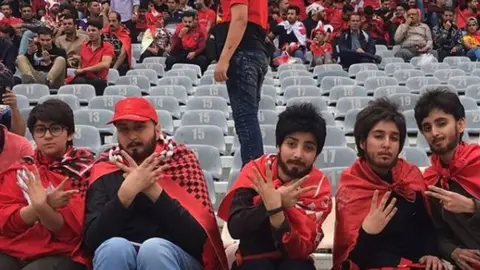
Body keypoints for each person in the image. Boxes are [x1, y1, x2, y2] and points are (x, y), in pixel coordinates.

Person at [83, 97, 228, 270]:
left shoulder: (180, 162)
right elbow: (92, 241)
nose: (132, 136)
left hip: (175, 256)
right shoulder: (105, 167)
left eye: (139, 127)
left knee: (154, 250)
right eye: (124, 130)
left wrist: (153, 191)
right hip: (119, 255)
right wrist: (123, 197)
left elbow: (198, 238)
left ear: (157, 130)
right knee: (114, 249)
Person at [218, 103, 332, 270]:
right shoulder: (256, 172)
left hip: (296, 261)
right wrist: (270, 205)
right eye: (291, 144)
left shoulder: (318, 187)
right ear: (279, 145)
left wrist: (276, 209)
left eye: (308, 148)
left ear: (316, 155)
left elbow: (301, 249)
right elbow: (236, 228)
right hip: (252, 259)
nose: (298, 154)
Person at [333, 98, 443, 270]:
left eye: (394, 138)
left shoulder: (409, 175)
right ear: (363, 142)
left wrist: (430, 253)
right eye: (378, 136)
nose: (386, 144)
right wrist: (368, 232)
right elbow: (351, 258)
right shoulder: (352, 185)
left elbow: (425, 225)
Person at [0, 99, 95, 270]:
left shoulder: (82, 169)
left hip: (62, 252)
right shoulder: (22, 168)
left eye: (55, 129)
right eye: (40, 130)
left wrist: (42, 208)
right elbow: (5, 224)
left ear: (70, 133)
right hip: (15, 247)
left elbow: (69, 234)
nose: (48, 136)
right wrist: (41, 206)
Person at [414, 89, 480, 270]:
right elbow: (436, 232)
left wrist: (472, 206)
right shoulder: (429, 180)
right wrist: (453, 251)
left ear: (460, 125)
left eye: (441, 123)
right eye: (427, 128)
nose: (434, 133)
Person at [214, 0, 269, 166]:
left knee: (245, 118)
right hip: (256, 51)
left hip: (243, 52)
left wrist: (223, 59)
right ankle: (255, 174)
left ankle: (253, 177)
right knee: (247, 117)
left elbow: (239, 19)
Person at [69, 18, 114, 96]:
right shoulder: (84, 46)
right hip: (83, 77)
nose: (90, 33)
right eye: (89, 30)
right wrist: (77, 62)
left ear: (100, 32)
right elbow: (81, 65)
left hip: (98, 79)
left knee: (97, 83)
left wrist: (84, 70)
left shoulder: (107, 46)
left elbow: (105, 64)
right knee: (78, 81)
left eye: (93, 30)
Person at [103, 11, 132, 76]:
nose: (111, 23)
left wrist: (114, 69)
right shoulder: (104, 32)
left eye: (114, 21)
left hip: (119, 65)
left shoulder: (125, 34)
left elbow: (123, 54)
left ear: (119, 22)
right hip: (105, 62)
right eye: (109, 21)